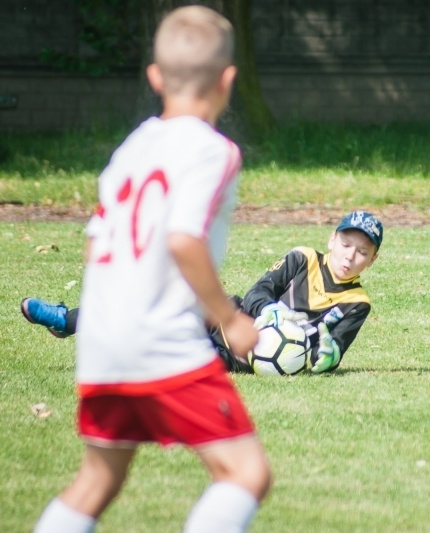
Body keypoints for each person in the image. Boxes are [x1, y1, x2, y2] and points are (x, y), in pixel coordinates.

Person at [31, 7, 271, 533]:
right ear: (229, 79)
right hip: (160, 340)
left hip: (102, 340)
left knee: (97, 480)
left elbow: (97, 246)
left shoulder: (133, 146)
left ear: (155, 77)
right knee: (245, 474)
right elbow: (183, 238)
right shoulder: (213, 151)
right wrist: (229, 318)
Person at [22, 210, 384, 375]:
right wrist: (270, 313)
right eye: (346, 245)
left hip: (240, 358)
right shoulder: (302, 257)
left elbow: (331, 354)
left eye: (362, 252)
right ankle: (67, 319)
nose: (350, 257)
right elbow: (259, 291)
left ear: (372, 260)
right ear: (331, 240)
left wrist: (303, 347)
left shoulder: (357, 303)